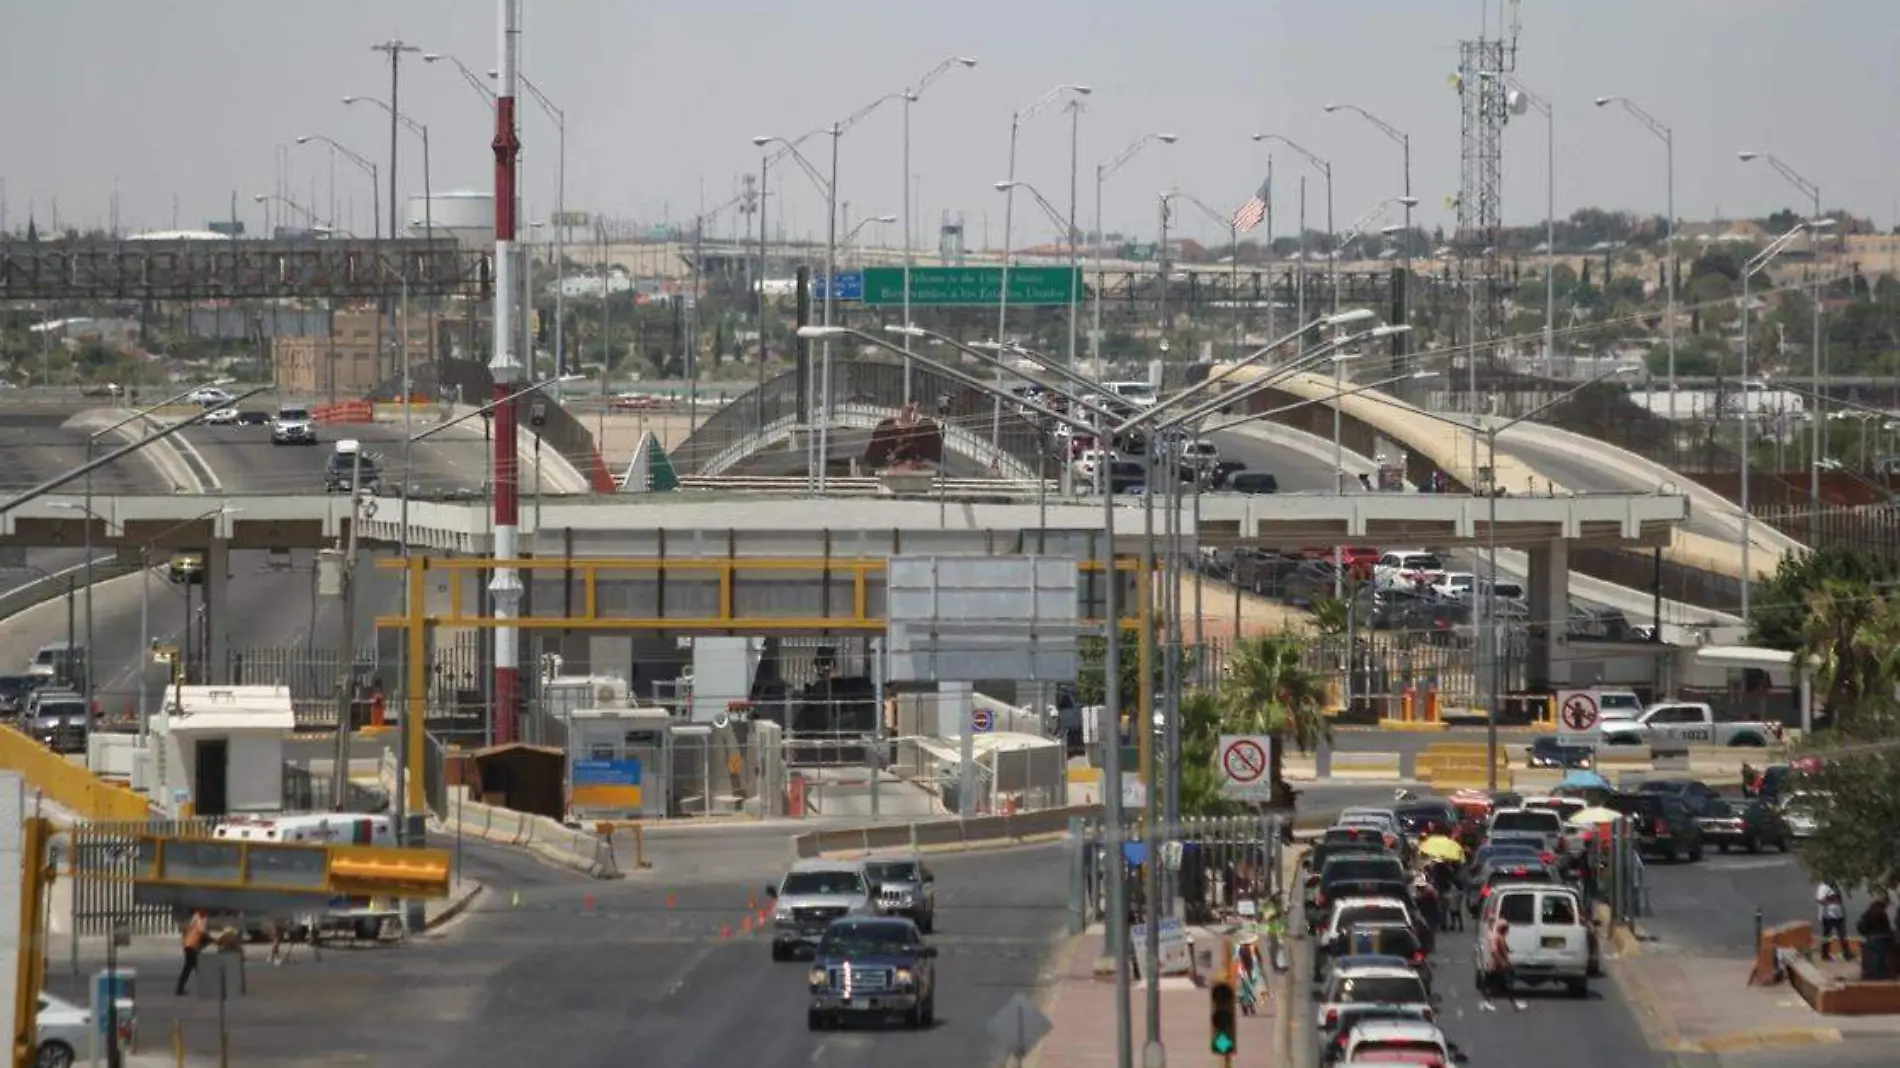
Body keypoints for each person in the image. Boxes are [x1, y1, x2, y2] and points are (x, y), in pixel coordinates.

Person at [1856, 896, 1893, 980]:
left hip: (1870, 939)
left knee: (1872, 958)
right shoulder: (1881, 913)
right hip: (1880, 939)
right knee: (1880, 958)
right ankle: (1879, 976)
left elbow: (1861, 926)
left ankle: (1871, 975)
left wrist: (1866, 934)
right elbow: (1886, 927)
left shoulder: (1867, 912)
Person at [1816, 880, 1852, 962]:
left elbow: (1840, 900)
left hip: (1839, 915)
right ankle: (1825, 955)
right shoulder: (1823, 886)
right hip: (1828, 917)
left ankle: (1847, 954)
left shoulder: (1836, 886)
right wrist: (1832, 900)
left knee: (1843, 935)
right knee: (1827, 936)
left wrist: (1843, 913)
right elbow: (1819, 900)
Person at [176, 909, 208, 995]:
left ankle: (179, 989)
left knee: (189, 968)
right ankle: (206, 989)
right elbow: (202, 932)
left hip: (190, 945)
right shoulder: (198, 918)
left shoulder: (199, 918)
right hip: (191, 946)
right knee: (196, 968)